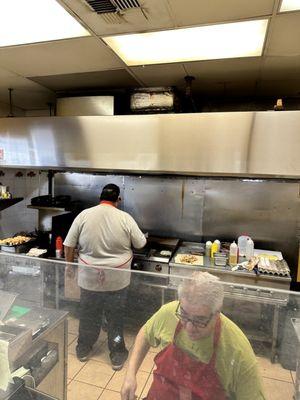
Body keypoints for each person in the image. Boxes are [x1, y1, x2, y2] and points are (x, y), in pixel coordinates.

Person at [121, 271, 266, 400]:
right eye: (184, 315)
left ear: (217, 313)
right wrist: (130, 374)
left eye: (199, 320)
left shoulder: (237, 351)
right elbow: (146, 333)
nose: (189, 327)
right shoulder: (170, 312)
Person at [64, 183, 146, 370]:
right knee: (115, 318)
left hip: (89, 280)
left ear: (100, 197)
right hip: (117, 281)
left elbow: (69, 245)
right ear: (118, 199)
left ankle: (83, 348)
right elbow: (140, 243)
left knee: (88, 314)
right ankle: (117, 353)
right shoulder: (125, 217)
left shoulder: (84, 215)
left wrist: (69, 266)